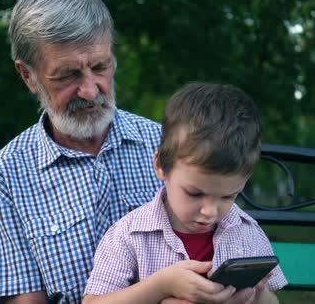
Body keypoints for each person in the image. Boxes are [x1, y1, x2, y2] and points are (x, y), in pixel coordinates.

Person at [0, 0, 165, 304]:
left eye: (100, 67)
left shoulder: (167, 144)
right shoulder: (2, 182)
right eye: (67, 75)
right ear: (28, 75)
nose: (90, 90)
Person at [83, 83, 288, 304]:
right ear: (161, 165)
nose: (209, 211)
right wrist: (161, 286)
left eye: (228, 196)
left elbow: (273, 301)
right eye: (194, 193)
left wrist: (257, 294)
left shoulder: (247, 233)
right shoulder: (128, 235)